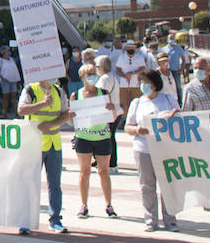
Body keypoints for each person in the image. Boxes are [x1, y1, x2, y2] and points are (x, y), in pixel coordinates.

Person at [124, 69, 179, 232]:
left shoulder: (167, 99)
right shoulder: (137, 103)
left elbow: (179, 116)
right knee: (147, 186)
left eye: (147, 83)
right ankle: (150, 220)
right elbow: (128, 126)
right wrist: (137, 130)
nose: (144, 86)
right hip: (143, 148)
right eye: (141, 83)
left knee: (168, 185)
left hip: (165, 147)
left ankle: (170, 220)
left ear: (155, 84)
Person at [18, 77, 72, 235]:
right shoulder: (30, 89)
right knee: (29, 183)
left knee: (55, 185)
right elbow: (21, 110)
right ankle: (25, 221)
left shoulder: (58, 91)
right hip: (33, 144)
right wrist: (42, 104)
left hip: (54, 143)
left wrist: (52, 124)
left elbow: (65, 114)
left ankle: (55, 219)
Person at [71, 64, 116, 219]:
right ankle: (84, 205)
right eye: (88, 73)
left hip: (102, 136)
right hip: (84, 137)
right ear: (82, 76)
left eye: (93, 73)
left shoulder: (103, 93)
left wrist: (112, 109)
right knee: (84, 172)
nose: (91, 76)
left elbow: (113, 117)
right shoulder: (76, 95)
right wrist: (71, 116)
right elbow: (72, 122)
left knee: (104, 171)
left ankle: (108, 205)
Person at [95, 54, 122, 174]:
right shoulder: (112, 77)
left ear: (101, 67)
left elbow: (101, 96)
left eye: (97, 66)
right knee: (109, 137)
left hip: (109, 113)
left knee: (108, 138)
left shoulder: (104, 79)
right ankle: (101, 160)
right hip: (116, 110)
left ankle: (111, 163)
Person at [0, 47, 22, 118]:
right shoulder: (0, 60)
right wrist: (1, 77)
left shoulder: (12, 59)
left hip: (13, 80)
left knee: (14, 97)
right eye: (8, 51)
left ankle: (17, 113)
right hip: (5, 81)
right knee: (6, 98)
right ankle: (4, 114)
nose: (9, 52)